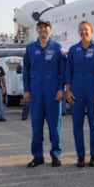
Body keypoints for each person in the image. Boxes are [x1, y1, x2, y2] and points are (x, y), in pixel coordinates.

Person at [23, 19, 66, 168]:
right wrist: (26, 90)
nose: (43, 30)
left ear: (50, 30)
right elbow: (26, 71)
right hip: (35, 91)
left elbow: (63, 71)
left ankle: (56, 155)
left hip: (53, 91)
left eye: (45, 27)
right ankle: (38, 156)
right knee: (36, 126)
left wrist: (61, 89)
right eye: (40, 27)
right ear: (37, 30)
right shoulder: (30, 49)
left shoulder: (57, 48)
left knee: (55, 126)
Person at [65, 21, 94, 168]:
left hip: (93, 90)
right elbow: (68, 72)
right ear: (78, 32)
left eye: (86, 30)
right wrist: (68, 91)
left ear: (91, 31)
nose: (83, 32)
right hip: (77, 91)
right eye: (81, 30)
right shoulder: (73, 50)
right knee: (77, 125)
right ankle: (80, 156)